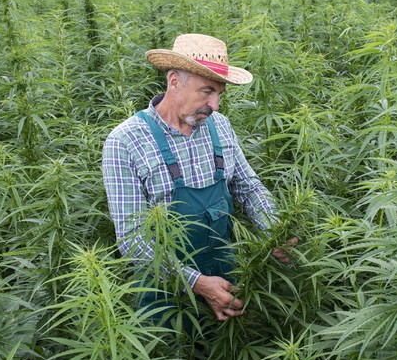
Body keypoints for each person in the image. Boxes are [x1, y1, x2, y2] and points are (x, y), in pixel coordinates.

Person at [102, 34, 294, 327]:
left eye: (219, 94)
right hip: (164, 294)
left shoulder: (220, 127)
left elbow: (248, 187)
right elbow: (132, 238)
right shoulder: (125, 141)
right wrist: (197, 283)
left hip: (226, 280)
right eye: (206, 91)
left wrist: (274, 229)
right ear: (174, 81)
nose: (214, 105)